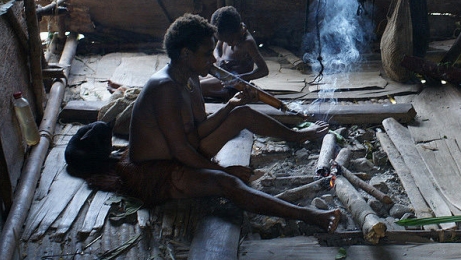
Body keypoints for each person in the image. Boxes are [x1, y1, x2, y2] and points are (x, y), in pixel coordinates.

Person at [93, 13, 339, 232]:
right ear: (185, 54)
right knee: (228, 183)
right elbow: (180, 150)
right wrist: (222, 170)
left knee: (241, 113)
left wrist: (230, 106)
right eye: (206, 54)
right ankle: (310, 216)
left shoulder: (189, 79)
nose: (213, 60)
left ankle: (297, 135)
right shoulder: (164, 87)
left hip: (184, 152)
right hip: (157, 171)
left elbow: (199, 129)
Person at [200, 6, 269, 100]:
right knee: (192, 80)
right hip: (223, 77)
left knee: (196, 87)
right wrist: (219, 59)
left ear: (240, 29)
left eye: (231, 40)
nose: (229, 44)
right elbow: (217, 49)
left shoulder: (247, 43)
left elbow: (264, 70)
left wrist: (240, 78)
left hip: (233, 86)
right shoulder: (225, 33)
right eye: (224, 40)